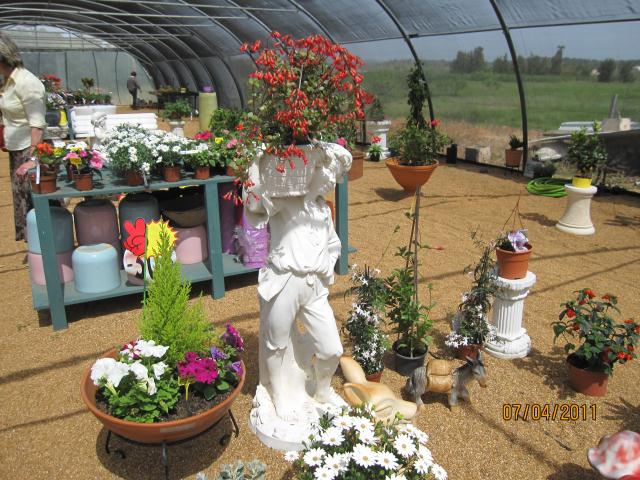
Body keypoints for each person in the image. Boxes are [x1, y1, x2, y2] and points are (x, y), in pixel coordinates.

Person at [0, 33, 46, 241]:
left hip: (29, 148)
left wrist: (32, 159)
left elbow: (37, 123)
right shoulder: (8, 81)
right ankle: (35, 243)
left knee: (33, 199)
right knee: (22, 199)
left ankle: (42, 243)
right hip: (17, 148)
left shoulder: (26, 82)